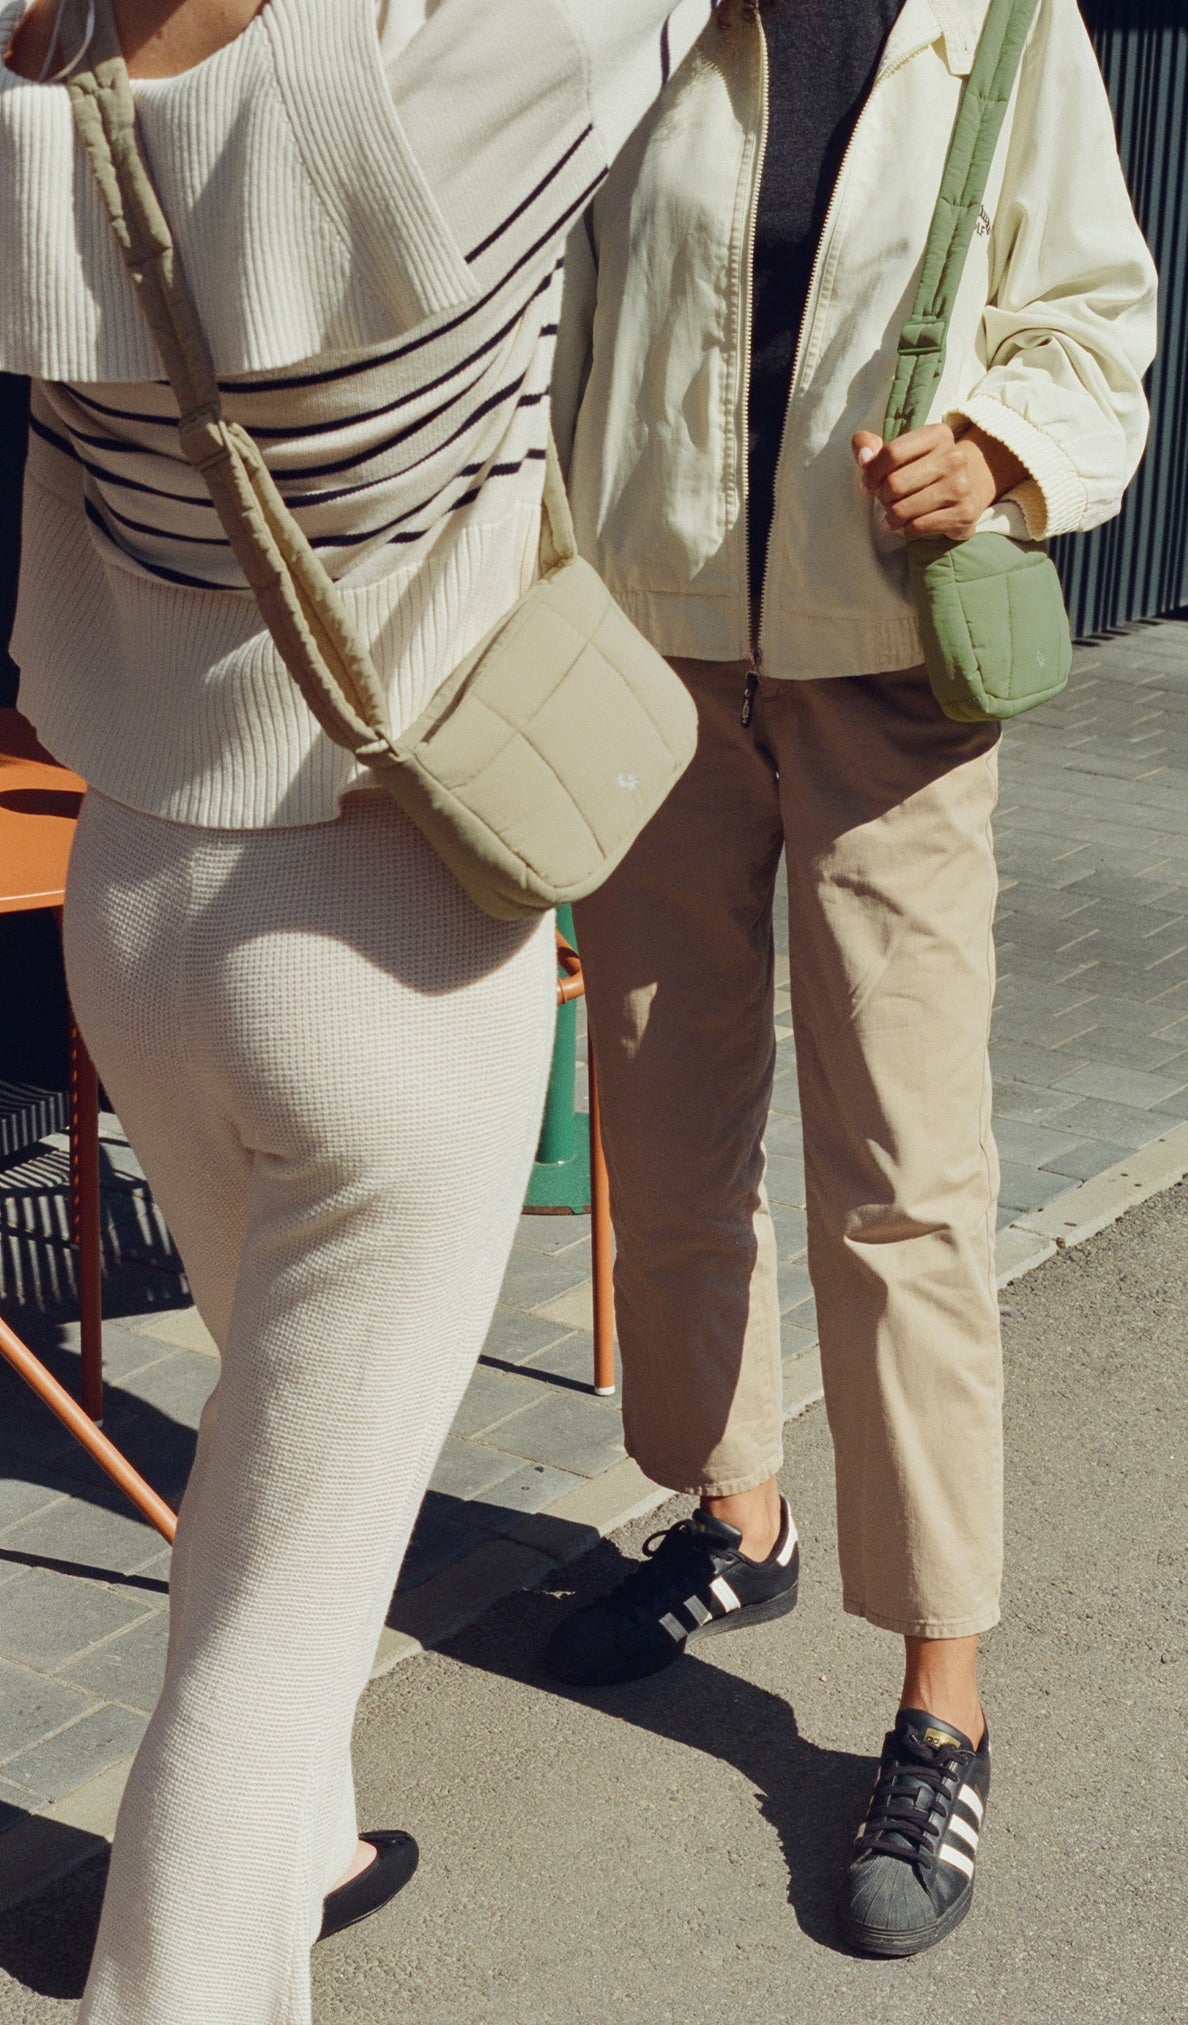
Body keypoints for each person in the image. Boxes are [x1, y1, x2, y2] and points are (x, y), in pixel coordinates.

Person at [0, 1, 695, 2018]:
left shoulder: (41, 81)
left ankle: (308, 1841)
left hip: (133, 895)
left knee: (273, 1457)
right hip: (390, 920)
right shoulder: (479, 65)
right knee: (275, 1629)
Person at [547, 0, 1157, 1957]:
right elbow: (562, 303)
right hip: (651, 657)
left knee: (904, 1181)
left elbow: (1095, 322)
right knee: (669, 1121)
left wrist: (999, 451)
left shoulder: (1001, 28)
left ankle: (942, 1690)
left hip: (887, 677)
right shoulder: (649, 17)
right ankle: (739, 1515)